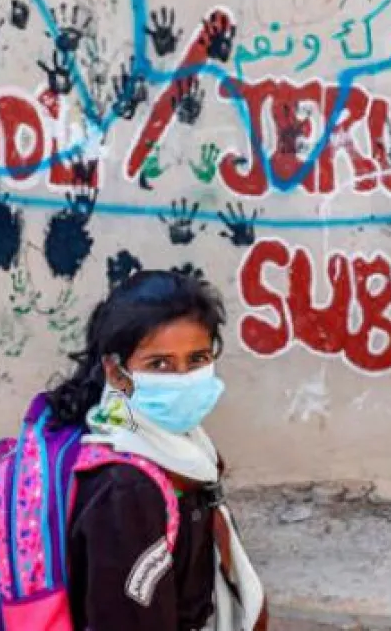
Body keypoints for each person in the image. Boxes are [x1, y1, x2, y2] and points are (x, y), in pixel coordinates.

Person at [43, 270, 268, 631]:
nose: (182, 377)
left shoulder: (181, 448)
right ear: (117, 373)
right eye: (159, 364)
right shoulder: (126, 488)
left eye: (197, 359)